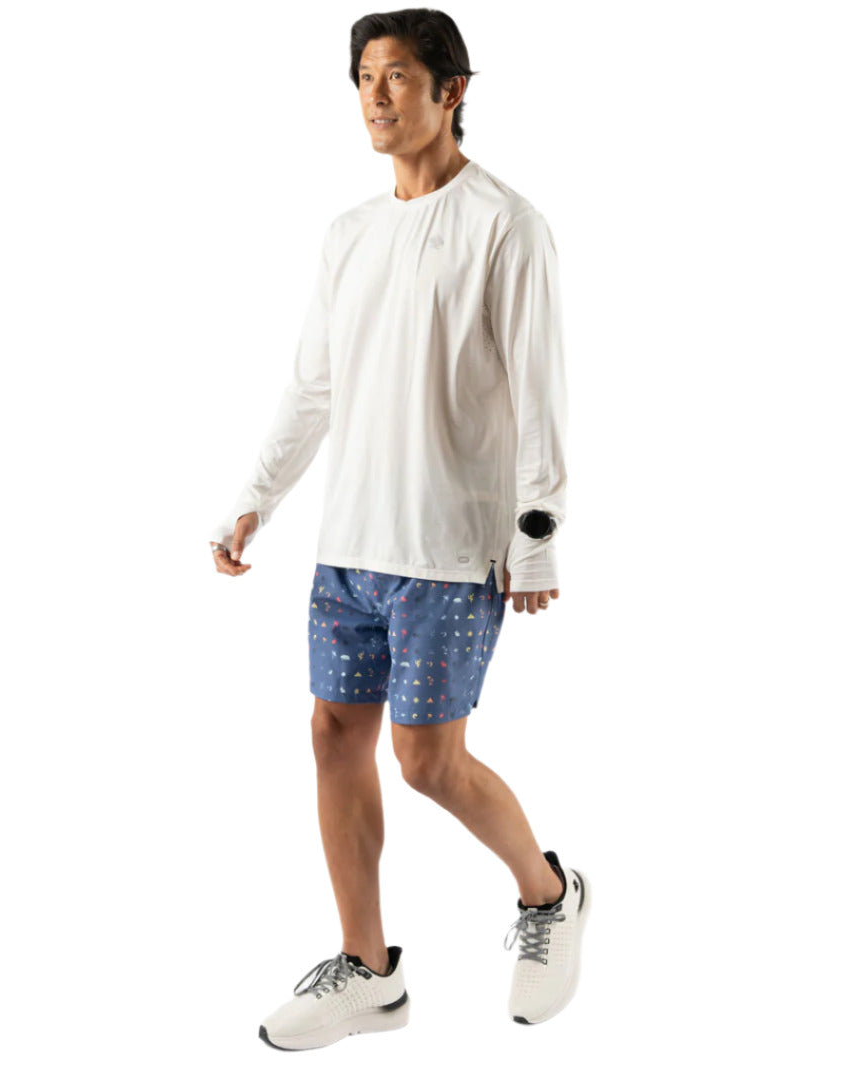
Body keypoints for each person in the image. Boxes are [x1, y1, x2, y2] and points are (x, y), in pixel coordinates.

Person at [208, 9, 589, 1051]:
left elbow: (541, 395)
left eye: (399, 77)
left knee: (427, 762)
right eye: (364, 78)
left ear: (451, 90)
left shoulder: (508, 226)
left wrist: (538, 535)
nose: (376, 97)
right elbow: (313, 385)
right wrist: (255, 496)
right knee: (333, 736)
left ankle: (550, 894)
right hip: (349, 549)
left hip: (449, 550)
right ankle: (369, 970)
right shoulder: (349, 233)